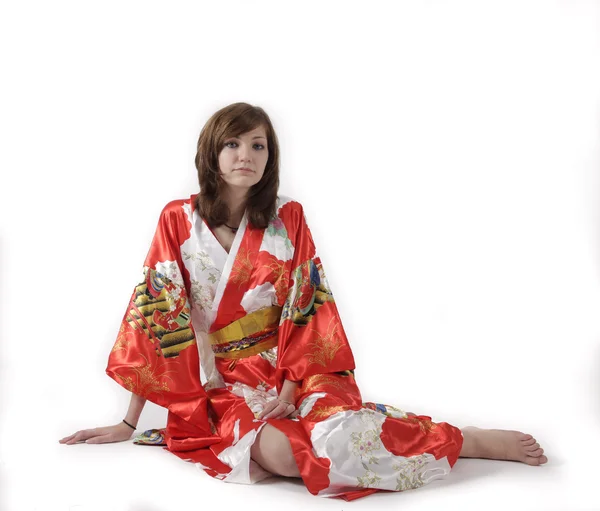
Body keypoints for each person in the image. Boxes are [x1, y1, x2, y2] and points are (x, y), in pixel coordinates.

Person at [59, 102, 547, 500]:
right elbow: (159, 322)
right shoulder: (176, 220)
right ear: (211, 153)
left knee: (337, 431)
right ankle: (369, 436)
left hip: (297, 369)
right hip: (225, 379)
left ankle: (464, 439)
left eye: (258, 145)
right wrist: (129, 422)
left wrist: (290, 395)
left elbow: (307, 308)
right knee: (285, 459)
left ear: (271, 157)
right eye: (231, 143)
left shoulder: (287, 218)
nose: (244, 154)